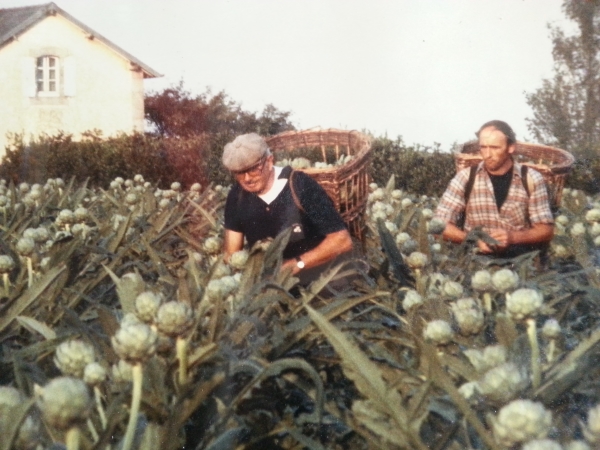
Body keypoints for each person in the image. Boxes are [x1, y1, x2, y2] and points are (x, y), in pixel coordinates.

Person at [222, 133, 353, 284]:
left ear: (270, 161)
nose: (247, 179)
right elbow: (231, 254)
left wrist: (296, 265)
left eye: (253, 169)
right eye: (239, 173)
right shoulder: (236, 196)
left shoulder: (300, 185)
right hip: (270, 286)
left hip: (321, 282)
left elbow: (342, 241)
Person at [434, 120, 554, 258]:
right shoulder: (466, 177)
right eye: (483, 147)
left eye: (495, 148)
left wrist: (513, 237)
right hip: (474, 261)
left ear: (511, 148)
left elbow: (546, 230)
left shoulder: (531, 178)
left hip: (519, 262)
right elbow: (440, 225)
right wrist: (473, 240)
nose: (488, 154)